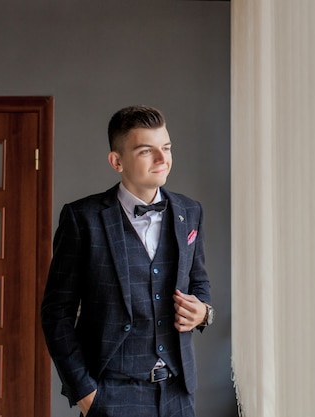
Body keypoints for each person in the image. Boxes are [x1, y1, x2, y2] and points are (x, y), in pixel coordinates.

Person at [41, 105, 214, 417]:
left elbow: (198, 282)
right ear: (116, 161)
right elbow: (56, 314)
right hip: (111, 395)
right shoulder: (83, 219)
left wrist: (203, 312)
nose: (163, 160)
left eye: (167, 148)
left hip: (178, 393)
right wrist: (85, 392)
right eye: (147, 151)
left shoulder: (190, 212)